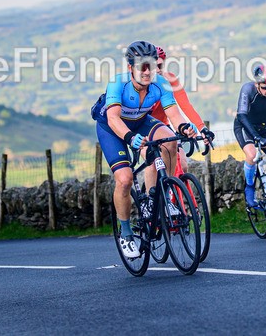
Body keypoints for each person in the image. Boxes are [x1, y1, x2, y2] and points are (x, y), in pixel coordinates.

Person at [91, 40, 197, 259]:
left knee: (169, 141)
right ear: (131, 67)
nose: (148, 72)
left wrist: (184, 127)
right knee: (125, 179)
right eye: (143, 66)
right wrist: (130, 138)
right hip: (111, 128)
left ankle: (161, 196)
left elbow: (174, 114)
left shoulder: (161, 83)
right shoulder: (118, 83)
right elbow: (113, 118)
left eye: (152, 65)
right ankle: (126, 233)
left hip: (140, 121)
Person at [149, 45, 215, 175]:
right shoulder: (145, 83)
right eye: (153, 66)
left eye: (160, 66)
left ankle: (171, 187)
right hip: (146, 128)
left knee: (183, 166)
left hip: (164, 126)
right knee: (154, 166)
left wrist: (202, 129)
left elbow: (186, 106)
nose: (157, 70)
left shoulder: (170, 79)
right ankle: (153, 188)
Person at [234, 64, 266, 209]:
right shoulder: (248, 89)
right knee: (252, 155)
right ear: (257, 84)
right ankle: (249, 187)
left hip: (263, 126)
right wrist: (256, 137)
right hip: (245, 126)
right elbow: (241, 115)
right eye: (265, 88)